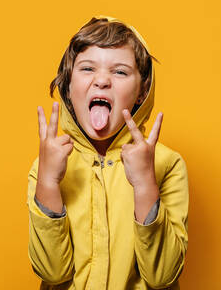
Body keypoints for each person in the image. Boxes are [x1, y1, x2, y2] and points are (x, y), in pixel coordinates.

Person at [26, 15, 189, 290]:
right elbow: (52, 272)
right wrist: (48, 183)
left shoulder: (167, 164)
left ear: (142, 92)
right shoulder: (46, 167)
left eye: (120, 72)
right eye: (88, 69)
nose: (102, 81)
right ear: (67, 85)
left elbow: (162, 276)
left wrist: (145, 184)